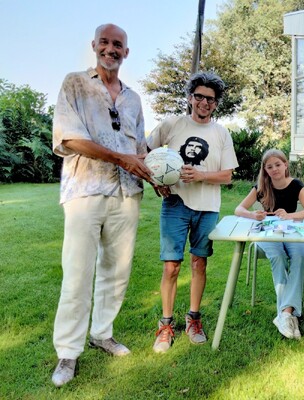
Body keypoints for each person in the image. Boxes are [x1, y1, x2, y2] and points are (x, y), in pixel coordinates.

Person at [51, 24, 154, 387]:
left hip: (127, 195)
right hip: (86, 190)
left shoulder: (134, 99)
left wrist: (159, 176)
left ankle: (102, 333)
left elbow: (139, 148)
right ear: (94, 46)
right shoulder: (75, 83)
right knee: (78, 272)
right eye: (105, 43)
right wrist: (121, 158)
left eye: (118, 45)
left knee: (117, 271)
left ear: (126, 52)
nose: (111, 49)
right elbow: (71, 138)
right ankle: (67, 352)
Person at [147, 72, 238, 353]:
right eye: (199, 96)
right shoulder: (172, 124)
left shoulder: (221, 133)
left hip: (208, 207)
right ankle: (165, 325)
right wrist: (155, 182)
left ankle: (193, 319)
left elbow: (227, 177)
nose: (204, 103)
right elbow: (146, 153)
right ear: (190, 98)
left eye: (210, 99)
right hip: (175, 204)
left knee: (199, 264)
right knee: (171, 266)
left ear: (216, 104)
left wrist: (200, 175)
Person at [234, 149, 304, 339]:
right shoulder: (262, 186)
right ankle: (288, 314)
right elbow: (239, 209)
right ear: (265, 169)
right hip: (268, 233)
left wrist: (290, 216)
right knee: (278, 257)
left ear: (285, 165)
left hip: (292, 231)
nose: (274, 169)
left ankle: (284, 313)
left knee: (299, 255)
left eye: (278, 165)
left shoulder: (296, 185)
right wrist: (253, 215)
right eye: (269, 167)